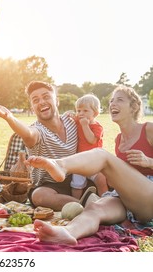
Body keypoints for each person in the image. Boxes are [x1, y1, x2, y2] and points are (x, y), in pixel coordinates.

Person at [30, 85, 153, 245]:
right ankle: (67, 233)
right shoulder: (118, 140)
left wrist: (149, 161)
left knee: (102, 155)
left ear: (134, 107)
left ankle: (60, 165)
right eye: (111, 101)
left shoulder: (148, 129)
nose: (112, 104)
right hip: (127, 200)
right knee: (95, 209)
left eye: (119, 100)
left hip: (149, 196)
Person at [0, 81, 95, 211]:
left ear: (57, 101)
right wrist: (10, 118)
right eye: (35, 100)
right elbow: (28, 134)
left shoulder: (72, 121)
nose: (41, 102)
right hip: (49, 186)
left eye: (46, 97)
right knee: (39, 196)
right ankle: (89, 205)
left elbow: (94, 130)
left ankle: (88, 202)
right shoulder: (38, 131)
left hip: (77, 179)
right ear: (32, 108)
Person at [69, 94, 108, 198]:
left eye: (85, 111)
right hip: (80, 160)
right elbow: (69, 118)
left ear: (95, 113)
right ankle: (76, 202)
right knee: (76, 184)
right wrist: (69, 114)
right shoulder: (78, 121)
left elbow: (91, 140)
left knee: (101, 180)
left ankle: (105, 200)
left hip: (94, 162)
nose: (81, 113)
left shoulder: (97, 127)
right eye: (78, 110)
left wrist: (85, 125)